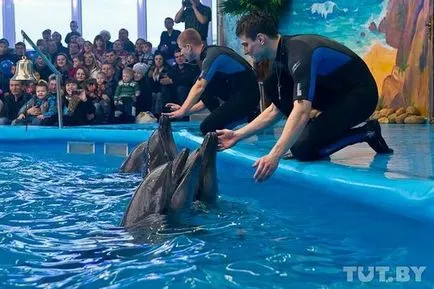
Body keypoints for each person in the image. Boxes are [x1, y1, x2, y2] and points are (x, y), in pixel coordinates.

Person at [217, 11, 393, 183]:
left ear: (261, 39)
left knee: (302, 149)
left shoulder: (299, 53)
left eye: (246, 44)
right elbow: (274, 110)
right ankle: (312, 135)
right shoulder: (279, 61)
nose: (245, 50)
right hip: (335, 93)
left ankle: (368, 132)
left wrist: (274, 155)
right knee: (272, 84)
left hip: (361, 96)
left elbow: (302, 110)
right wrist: (237, 135)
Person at [163, 28, 260, 135]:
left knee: (208, 128)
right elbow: (206, 100)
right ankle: (231, 117)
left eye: (181, 49)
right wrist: (185, 110)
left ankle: (250, 114)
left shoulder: (212, 56)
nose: (181, 53)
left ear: (188, 47)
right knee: (203, 82)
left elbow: (199, 87)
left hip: (247, 96)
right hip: (237, 93)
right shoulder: (209, 54)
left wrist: (182, 111)